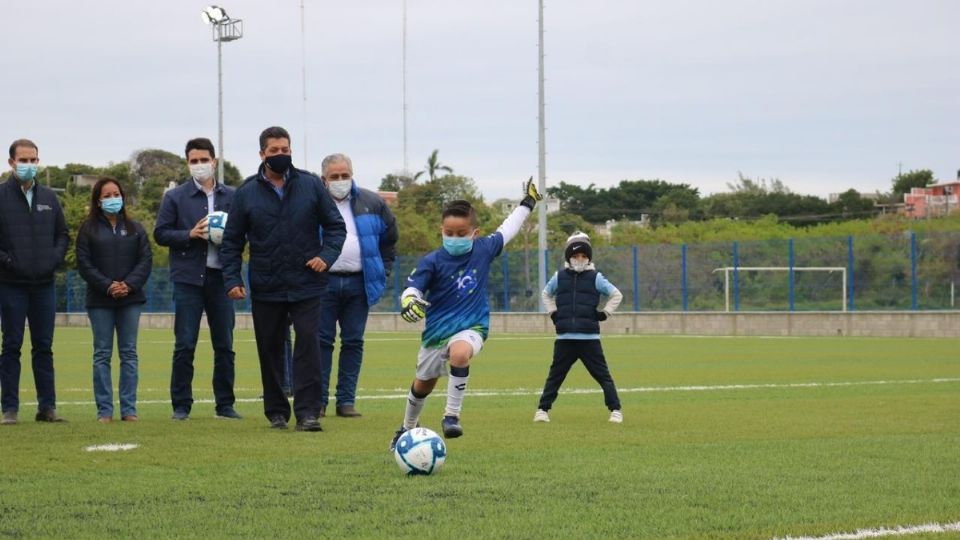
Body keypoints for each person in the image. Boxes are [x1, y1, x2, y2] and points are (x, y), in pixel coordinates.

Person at [388, 179, 542, 451]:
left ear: (474, 232)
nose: (454, 238)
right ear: (442, 231)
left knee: (460, 353)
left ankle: (451, 417)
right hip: (436, 333)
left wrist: (527, 203)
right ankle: (406, 429)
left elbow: (508, 228)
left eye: (461, 233)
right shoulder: (432, 261)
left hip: (473, 327)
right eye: (449, 233)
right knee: (423, 385)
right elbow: (412, 286)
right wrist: (409, 300)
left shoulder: (483, 249)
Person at [220, 126, 346, 432]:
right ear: (262, 154)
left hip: (307, 283)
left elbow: (336, 227)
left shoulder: (312, 185)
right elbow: (232, 241)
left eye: (285, 150)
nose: (281, 155)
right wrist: (232, 279)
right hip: (267, 285)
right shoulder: (246, 193)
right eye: (274, 151)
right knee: (270, 348)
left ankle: (308, 413)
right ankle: (276, 411)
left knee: (308, 346)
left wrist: (326, 257)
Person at [154, 137, 240, 421]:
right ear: (188, 163)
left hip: (221, 280)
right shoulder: (175, 197)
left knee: (225, 344)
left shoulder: (233, 196)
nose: (199, 165)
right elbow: (161, 233)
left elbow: (245, 232)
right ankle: (181, 406)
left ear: (214, 161)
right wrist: (189, 235)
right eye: (194, 161)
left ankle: (225, 405)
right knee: (185, 343)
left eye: (204, 159)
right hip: (188, 279)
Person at [317, 153, 398, 418]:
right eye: (334, 177)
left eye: (345, 175)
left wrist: (383, 270)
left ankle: (346, 401)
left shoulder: (372, 202)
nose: (340, 181)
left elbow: (390, 238)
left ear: (352, 174)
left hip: (359, 283)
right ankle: (318, 401)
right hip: (322, 283)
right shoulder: (312, 203)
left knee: (353, 342)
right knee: (321, 341)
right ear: (323, 179)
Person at [0, 138, 69, 425]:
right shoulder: (1, 196)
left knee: (44, 346)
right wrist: (9, 262)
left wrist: (52, 260)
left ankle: (47, 408)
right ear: (11, 163)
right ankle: (10, 409)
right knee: (11, 345)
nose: (29, 165)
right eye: (24, 160)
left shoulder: (50, 198)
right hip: (10, 285)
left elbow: (62, 235)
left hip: (44, 285)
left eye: (34, 160)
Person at [76, 178, 153, 423]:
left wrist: (128, 285)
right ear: (98, 200)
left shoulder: (136, 228)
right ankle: (104, 411)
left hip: (131, 300)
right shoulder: (87, 230)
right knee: (102, 354)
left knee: (129, 353)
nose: (112, 199)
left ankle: (129, 409)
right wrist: (108, 286)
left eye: (116, 194)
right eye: (107, 195)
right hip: (100, 301)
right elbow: (84, 264)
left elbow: (145, 261)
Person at [533, 232, 624, 424]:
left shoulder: (596, 277)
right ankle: (542, 410)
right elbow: (546, 294)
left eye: (583, 256)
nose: (579, 259)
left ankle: (615, 410)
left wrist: (605, 313)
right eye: (575, 256)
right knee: (555, 376)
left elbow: (616, 294)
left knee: (603, 376)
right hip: (565, 338)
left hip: (589, 339)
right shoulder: (559, 276)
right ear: (569, 257)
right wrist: (553, 313)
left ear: (589, 257)